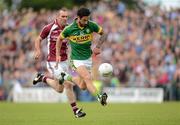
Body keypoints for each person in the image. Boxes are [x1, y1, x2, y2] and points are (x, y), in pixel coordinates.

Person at [33, 9, 86, 118]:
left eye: (66, 16)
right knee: (68, 84)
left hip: (65, 62)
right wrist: (38, 50)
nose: (65, 18)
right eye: (63, 16)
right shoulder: (49, 28)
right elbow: (38, 39)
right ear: (57, 17)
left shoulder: (69, 29)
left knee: (59, 89)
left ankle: (42, 78)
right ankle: (76, 111)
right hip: (53, 62)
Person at [56, 7, 108, 106]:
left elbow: (104, 34)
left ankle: (65, 76)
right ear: (78, 18)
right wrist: (58, 54)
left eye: (87, 19)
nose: (86, 22)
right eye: (84, 20)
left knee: (82, 86)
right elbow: (59, 39)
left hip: (88, 59)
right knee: (88, 78)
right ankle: (100, 97)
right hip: (76, 60)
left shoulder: (91, 25)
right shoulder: (70, 29)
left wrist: (98, 47)